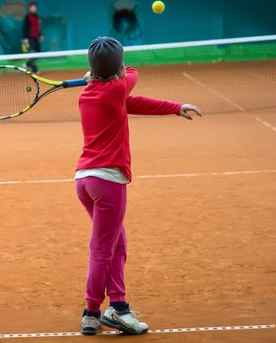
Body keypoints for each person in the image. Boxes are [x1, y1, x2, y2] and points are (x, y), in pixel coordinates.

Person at [76, 36, 202, 336]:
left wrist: (175, 107)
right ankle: (92, 312)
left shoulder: (88, 95)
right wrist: (108, 71)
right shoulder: (118, 85)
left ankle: (117, 307)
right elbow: (132, 73)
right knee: (102, 250)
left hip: (84, 181)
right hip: (108, 182)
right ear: (117, 66)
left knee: (116, 245)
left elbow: (134, 103)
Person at [22, 2, 44, 75]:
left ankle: (27, 65)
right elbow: (24, 28)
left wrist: (40, 35)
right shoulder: (27, 17)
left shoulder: (37, 16)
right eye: (32, 7)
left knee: (38, 53)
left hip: (36, 37)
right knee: (33, 53)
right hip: (30, 38)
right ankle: (35, 70)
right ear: (30, 8)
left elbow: (38, 27)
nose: (34, 8)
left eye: (35, 7)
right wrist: (25, 38)